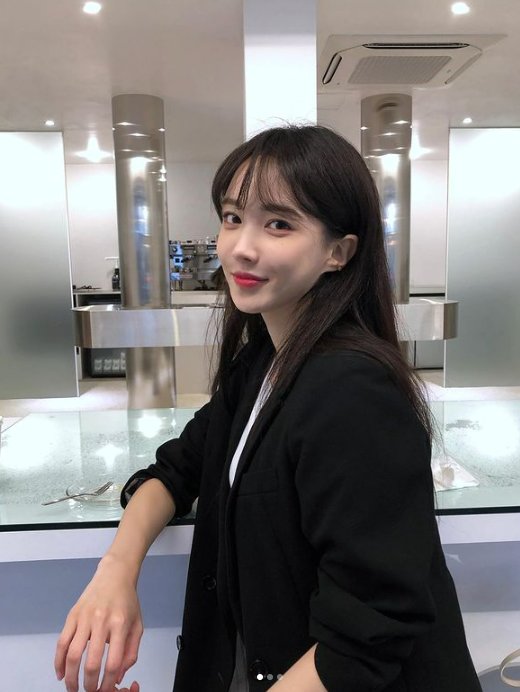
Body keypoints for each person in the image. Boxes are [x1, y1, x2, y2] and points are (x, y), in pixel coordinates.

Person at [55, 125, 482, 692]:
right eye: (233, 217)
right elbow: (177, 468)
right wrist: (115, 572)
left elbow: (367, 631)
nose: (241, 247)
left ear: (338, 252)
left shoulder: (353, 390)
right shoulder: (262, 362)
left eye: (278, 224)